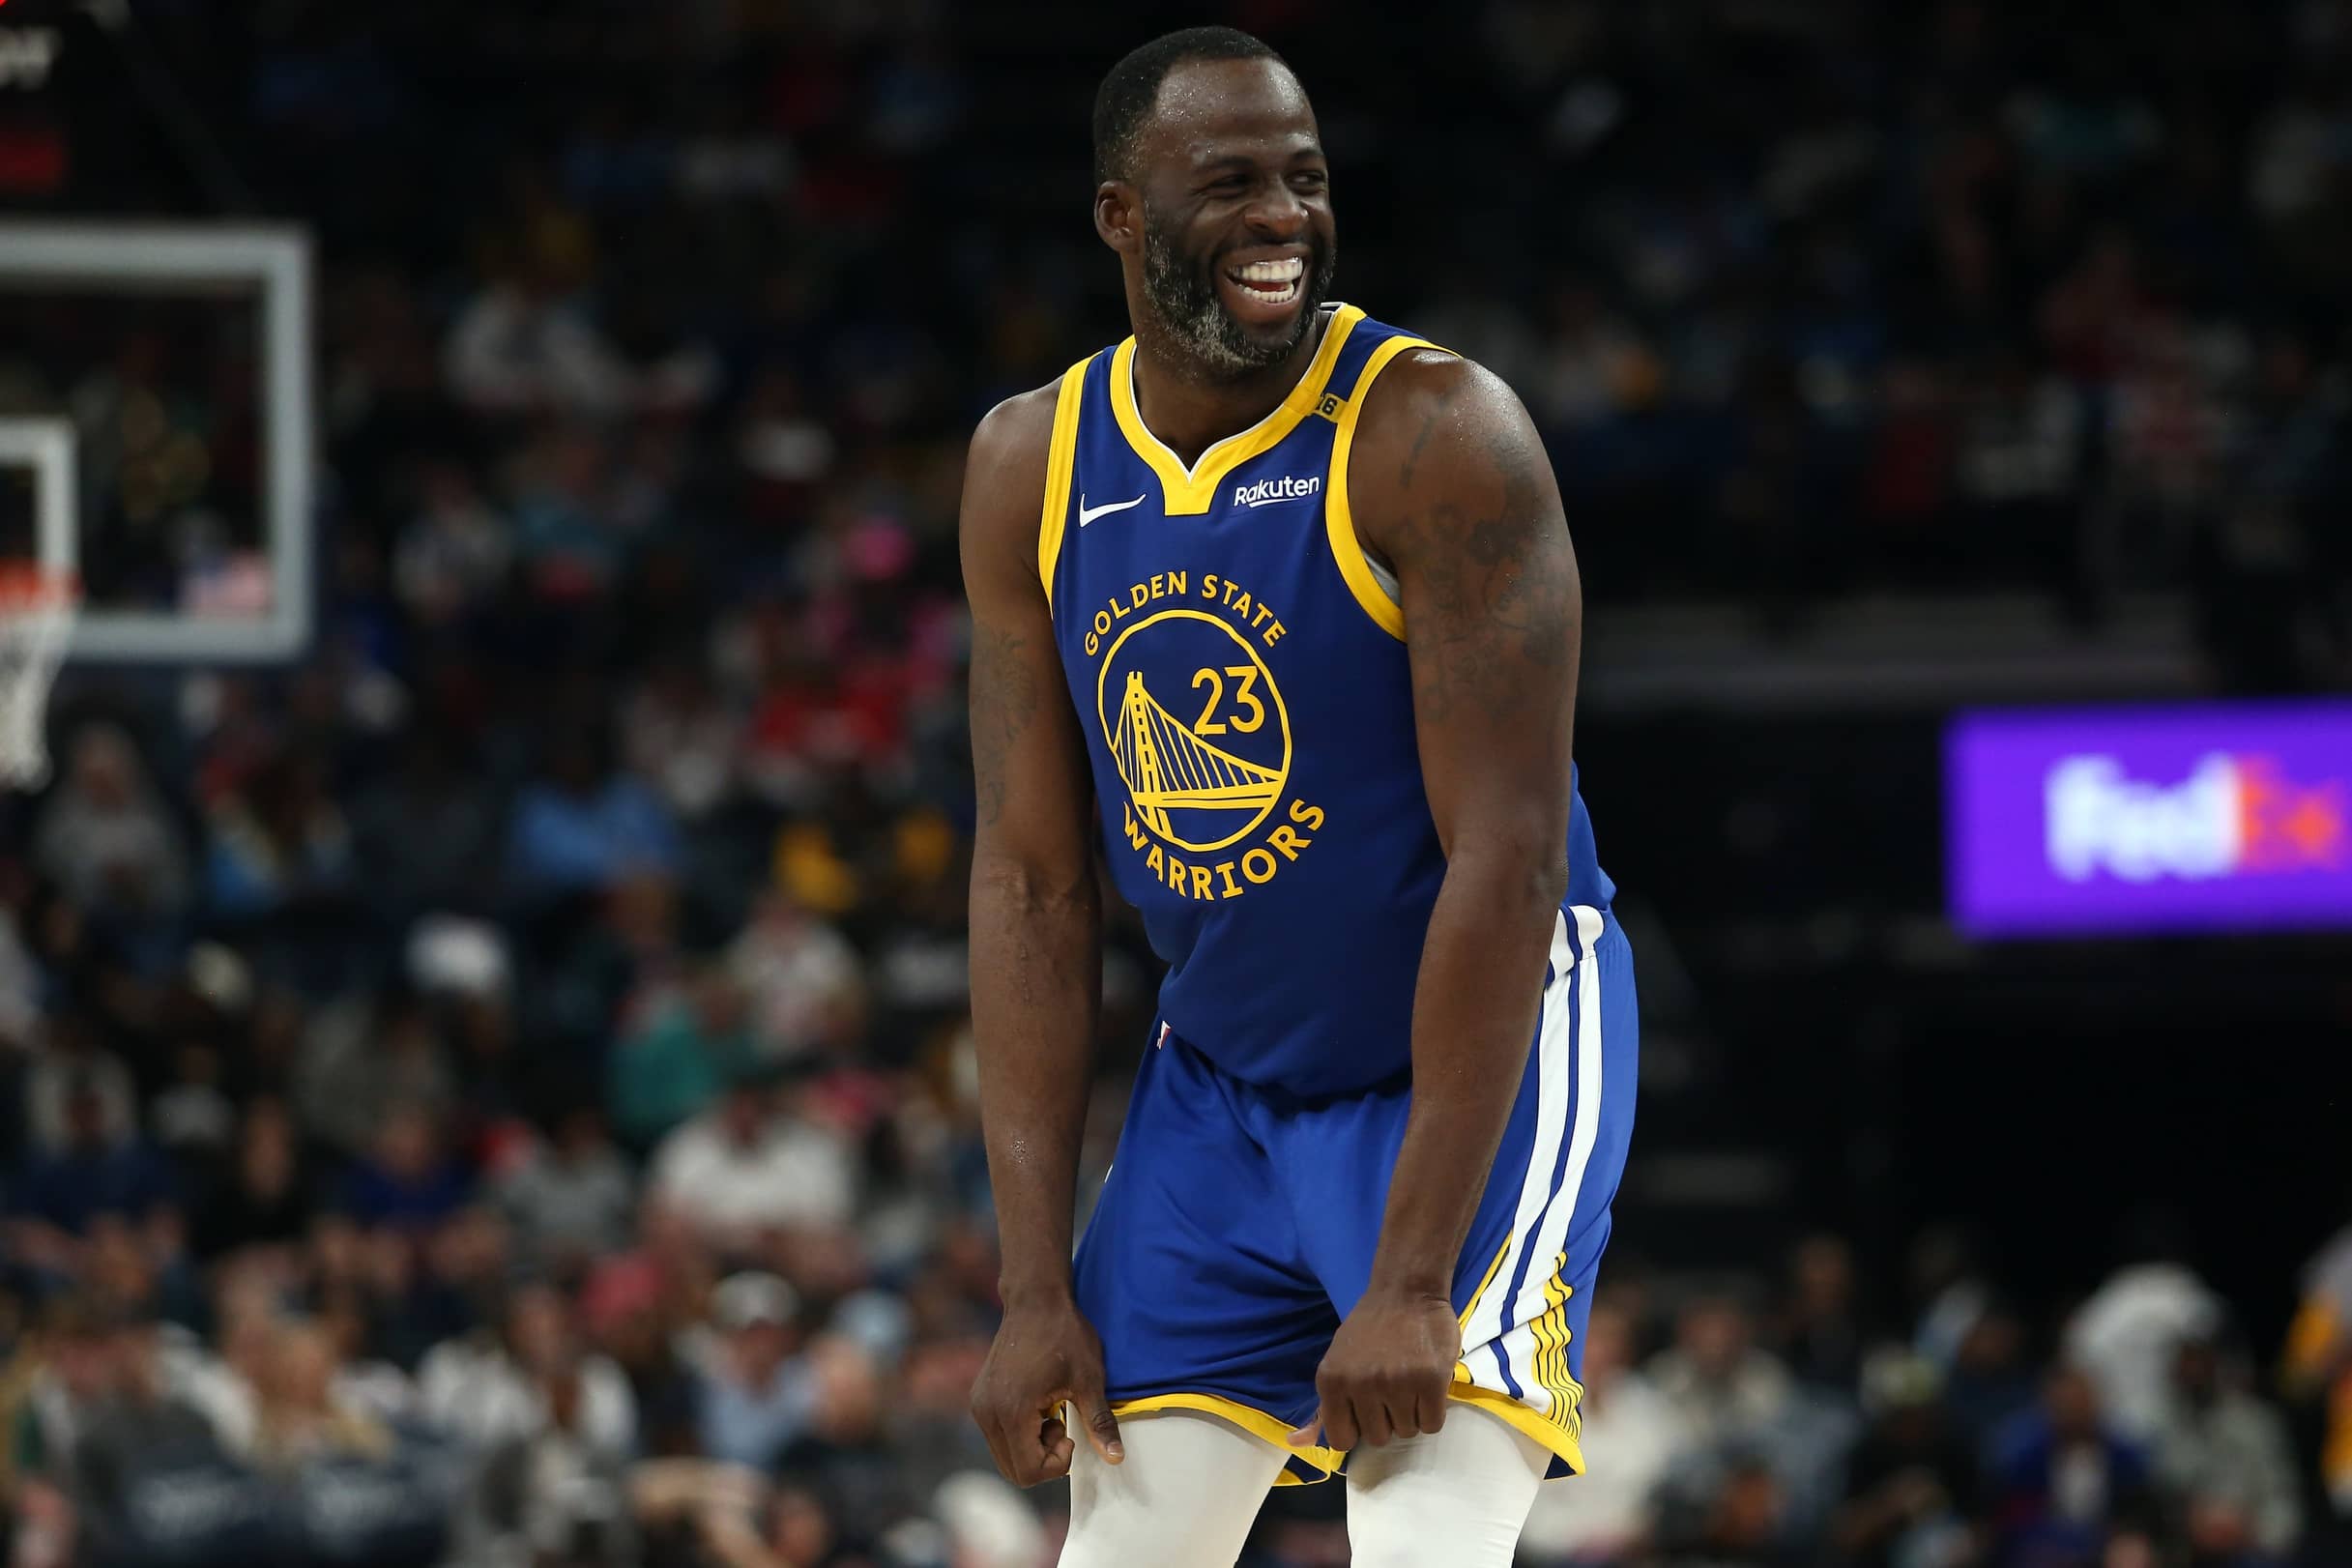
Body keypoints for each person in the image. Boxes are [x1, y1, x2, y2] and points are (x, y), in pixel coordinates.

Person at [959, 26, 1637, 1566]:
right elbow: (1030, 882)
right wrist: (1031, 1285)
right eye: (1230, 184)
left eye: (1306, 179)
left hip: (1470, 1057)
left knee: (1424, 1546)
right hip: (1221, 1082)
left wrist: (1410, 1272)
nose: (1283, 217)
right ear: (1121, 216)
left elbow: (1510, 859)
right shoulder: (1028, 465)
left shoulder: (1436, 433)